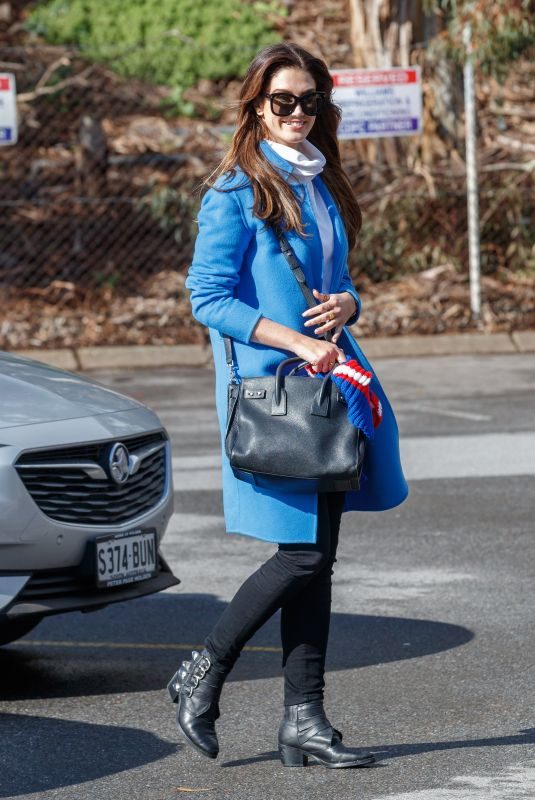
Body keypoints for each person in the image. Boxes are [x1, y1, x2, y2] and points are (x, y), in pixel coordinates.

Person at [168, 42, 408, 769]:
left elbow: (336, 282)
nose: (297, 114)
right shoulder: (235, 192)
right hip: (278, 398)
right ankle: (202, 668)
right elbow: (207, 298)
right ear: (256, 106)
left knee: (318, 558)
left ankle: (304, 719)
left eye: (309, 101)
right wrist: (294, 343)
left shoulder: (321, 183)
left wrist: (348, 303)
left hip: (331, 393)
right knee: (301, 554)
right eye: (282, 101)